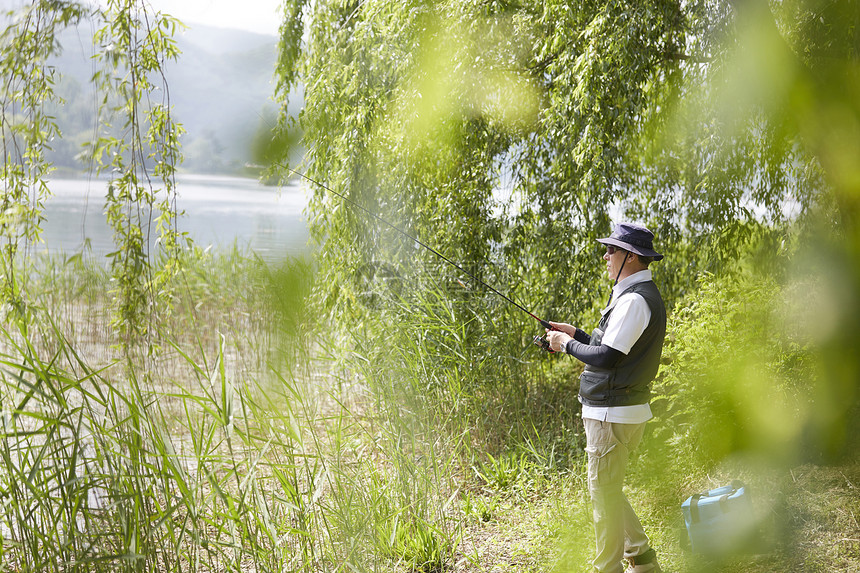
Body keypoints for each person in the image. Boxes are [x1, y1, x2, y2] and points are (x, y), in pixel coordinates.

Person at [545, 222, 666, 573]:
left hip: (612, 415)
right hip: (617, 412)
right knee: (608, 490)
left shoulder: (634, 300)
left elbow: (609, 358)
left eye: (612, 250)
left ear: (631, 257)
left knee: (604, 498)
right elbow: (610, 348)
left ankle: (607, 568)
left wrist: (566, 345)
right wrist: (577, 334)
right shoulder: (633, 296)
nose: (606, 255)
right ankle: (642, 560)